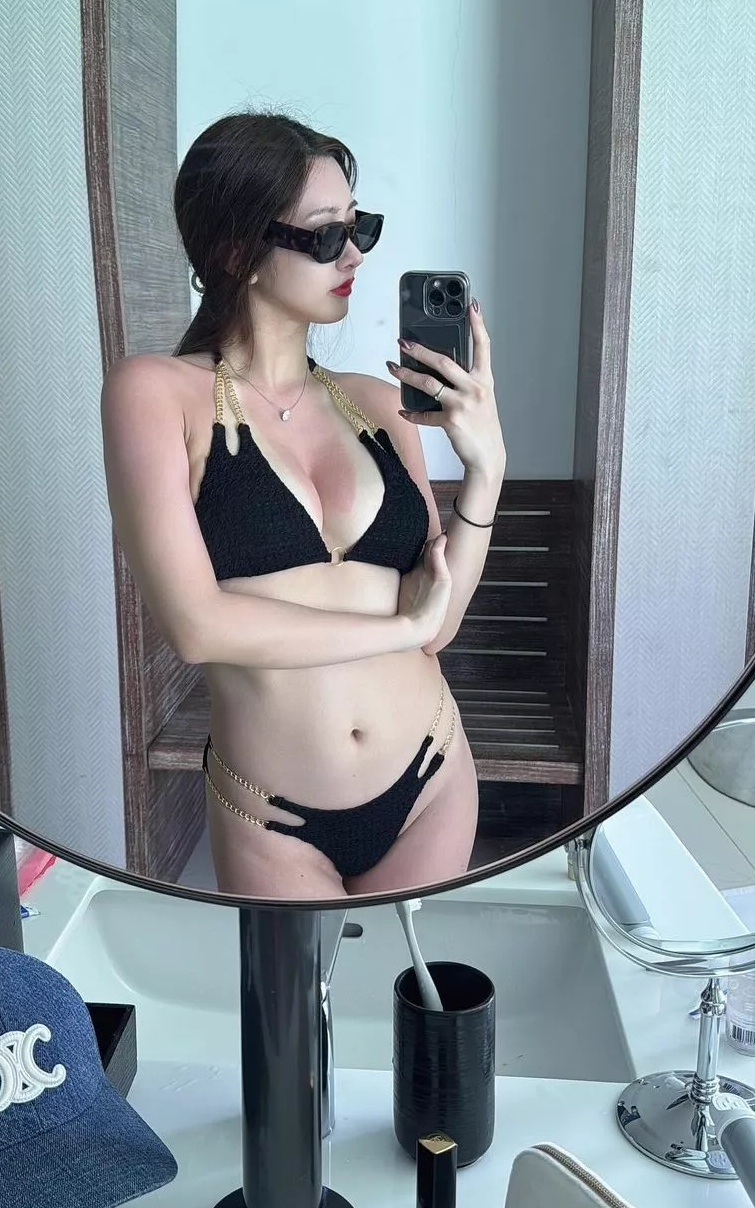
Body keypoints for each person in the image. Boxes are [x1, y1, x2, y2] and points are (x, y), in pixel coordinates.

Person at [101, 112, 505, 899]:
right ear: (235, 251)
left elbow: (438, 621)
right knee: (298, 989)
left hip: (431, 779)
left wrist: (486, 468)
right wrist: (399, 629)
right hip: (272, 816)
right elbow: (197, 627)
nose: (354, 254)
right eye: (326, 236)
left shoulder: (379, 404)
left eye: (360, 227)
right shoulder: (154, 394)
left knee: (410, 985)